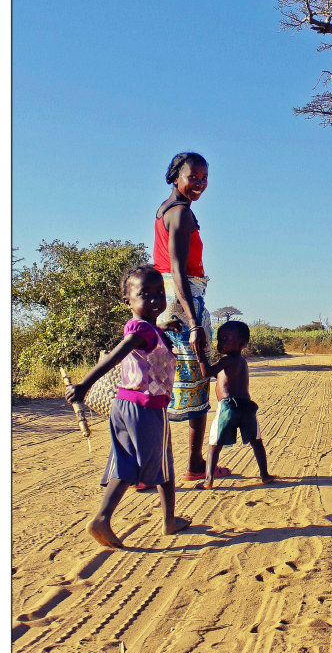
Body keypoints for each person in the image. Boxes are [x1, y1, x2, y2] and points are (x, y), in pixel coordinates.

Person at [64, 265, 191, 549]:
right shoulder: (139, 332)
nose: (156, 299)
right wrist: (84, 385)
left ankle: (103, 518)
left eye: (160, 292)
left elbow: (143, 342)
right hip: (147, 408)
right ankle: (167, 521)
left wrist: (162, 327)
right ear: (128, 301)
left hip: (124, 406)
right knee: (163, 465)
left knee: (127, 463)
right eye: (145, 294)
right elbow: (115, 356)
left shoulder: (146, 328)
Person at [153, 151, 223, 481]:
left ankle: (148, 468)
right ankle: (193, 465)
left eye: (204, 178)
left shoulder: (165, 210)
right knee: (197, 379)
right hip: (183, 303)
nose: (199, 183)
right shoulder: (180, 214)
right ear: (175, 176)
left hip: (169, 302)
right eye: (193, 176)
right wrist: (195, 322)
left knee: (161, 386)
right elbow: (178, 271)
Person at [197, 321, 276, 490]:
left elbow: (206, 373)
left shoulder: (226, 360)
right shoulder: (241, 361)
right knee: (256, 441)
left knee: (214, 444)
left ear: (242, 343)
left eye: (226, 338)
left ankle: (208, 480)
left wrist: (199, 353)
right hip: (247, 406)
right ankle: (265, 475)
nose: (221, 342)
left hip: (228, 407)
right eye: (219, 338)